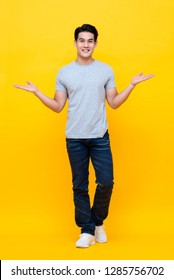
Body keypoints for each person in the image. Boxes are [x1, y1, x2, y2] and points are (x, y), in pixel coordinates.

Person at [14, 24, 154, 248]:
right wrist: (37, 93)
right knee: (79, 185)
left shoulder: (105, 70)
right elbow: (58, 106)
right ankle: (86, 230)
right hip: (75, 139)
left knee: (106, 182)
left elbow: (114, 103)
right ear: (75, 43)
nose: (86, 44)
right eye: (82, 40)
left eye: (90, 41)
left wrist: (131, 85)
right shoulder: (64, 72)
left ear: (96, 44)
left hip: (100, 137)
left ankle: (97, 223)